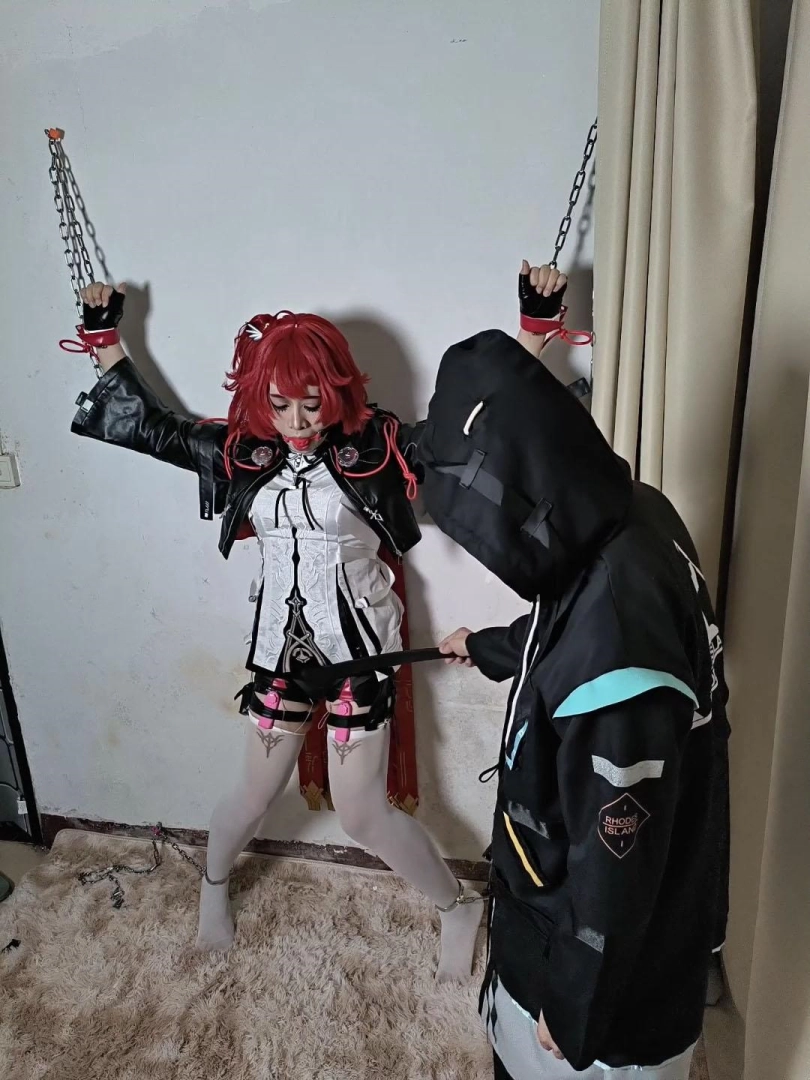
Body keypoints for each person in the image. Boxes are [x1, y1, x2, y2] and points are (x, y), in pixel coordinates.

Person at [70, 283, 534, 979]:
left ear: (336, 391)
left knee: (363, 816)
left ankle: (455, 906)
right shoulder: (246, 453)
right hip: (279, 654)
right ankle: (213, 887)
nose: (295, 421)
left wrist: (533, 332)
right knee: (252, 794)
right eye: (279, 404)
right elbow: (156, 429)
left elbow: (472, 429)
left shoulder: (378, 447)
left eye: (311, 403)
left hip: (358, 655)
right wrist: (104, 339)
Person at [426, 270, 730, 1078]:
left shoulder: (621, 664)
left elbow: (615, 865)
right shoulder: (633, 511)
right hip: (568, 907)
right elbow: (570, 620)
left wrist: (574, 1006)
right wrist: (492, 646)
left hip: (603, 992)